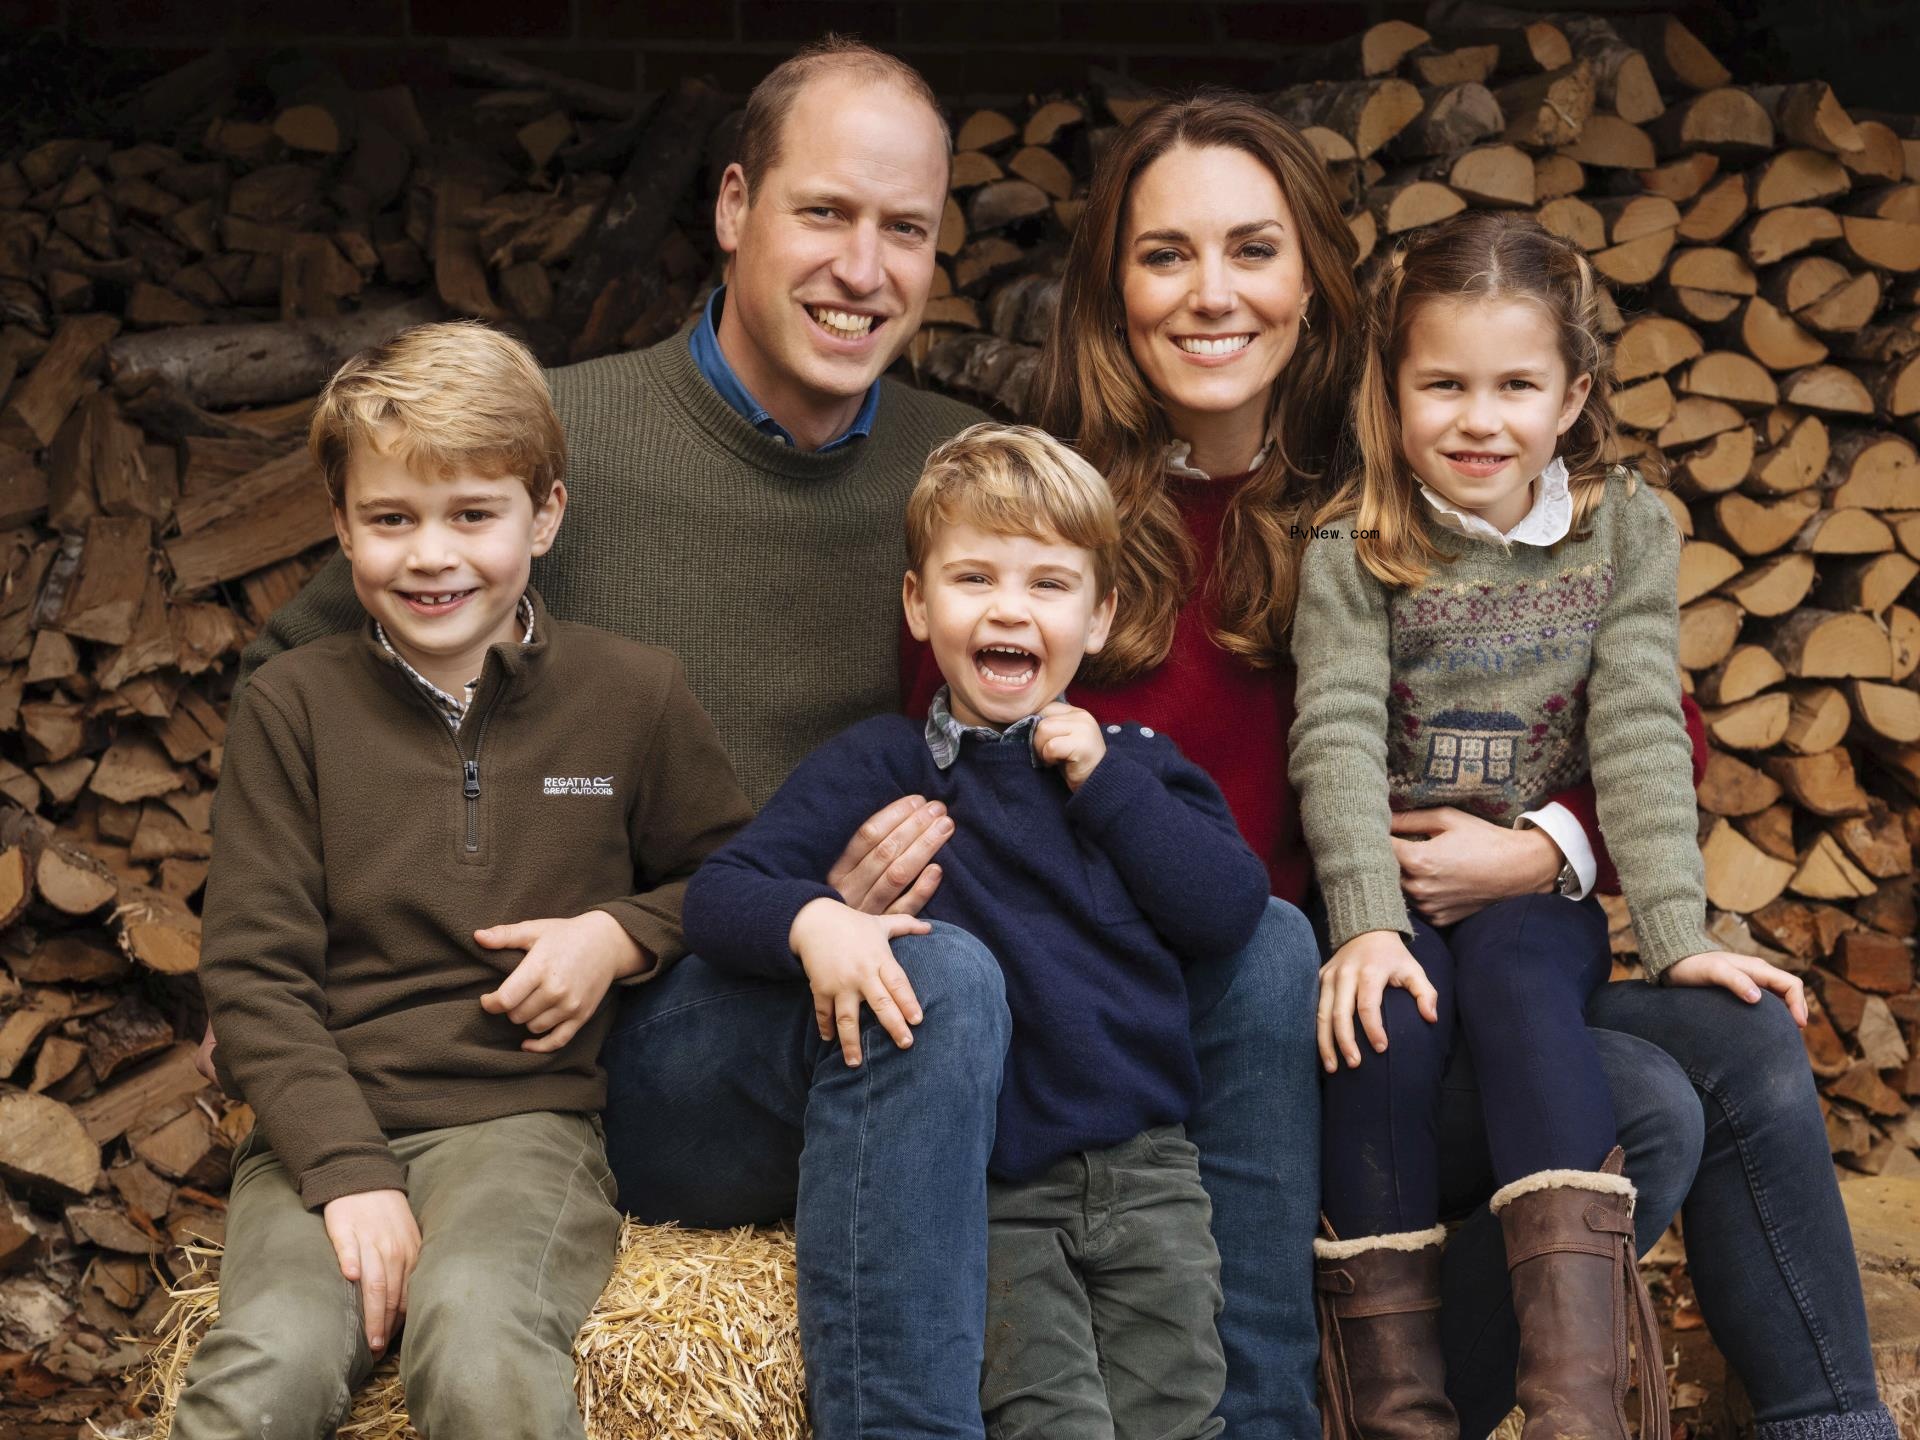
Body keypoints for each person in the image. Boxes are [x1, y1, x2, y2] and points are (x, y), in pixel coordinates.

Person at [215, 42, 1320, 1440]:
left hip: (911, 996)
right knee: (949, 981)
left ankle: (1265, 1418)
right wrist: (499, 921)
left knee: (1265, 946)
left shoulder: (956, 464)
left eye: (904, 230)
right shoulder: (568, 446)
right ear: (734, 206)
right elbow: (303, 677)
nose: (865, 268)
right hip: (656, 1035)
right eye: (825, 214)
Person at [173, 322, 753, 1440]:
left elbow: (730, 876)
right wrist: (349, 1175)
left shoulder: (634, 694)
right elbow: (250, 975)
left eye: (472, 515)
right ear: (341, 528)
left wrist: (617, 935)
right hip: (319, 1128)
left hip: (524, 1128)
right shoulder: (291, 706)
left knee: (479, 1334)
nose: (431, 555)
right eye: (391, 519)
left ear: (546, 516)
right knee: (265, 1369)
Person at [1290, 212, 1810, 1439]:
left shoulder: (1623, 530)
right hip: (1391, 895)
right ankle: (1390, 1412)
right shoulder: (1354, 546)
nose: (1480, 419)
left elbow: (1635, 724)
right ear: (1391, 388)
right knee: (1383, 1032)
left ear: (1573, 394)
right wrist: (1363, 923)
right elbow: (1336, 734)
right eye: (1444, 385)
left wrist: (1677, 934)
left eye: (1516, 385)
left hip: (1534, 898)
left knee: (1528, 988)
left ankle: (1577, 1404)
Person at [688, 423, 1264, 1440]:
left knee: (1180, 1413)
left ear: (1099, 618)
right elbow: (722, 894)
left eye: (1049, 584)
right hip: (999, 1188)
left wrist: (1103, 783)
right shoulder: (882, 766)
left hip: (1151, 1178)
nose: (1010, 608)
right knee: (1052, 1420)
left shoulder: (1139, 768)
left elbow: (1226, 913)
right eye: (974, 579)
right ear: (919, 605)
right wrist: (817, 917)